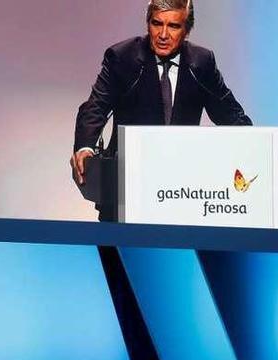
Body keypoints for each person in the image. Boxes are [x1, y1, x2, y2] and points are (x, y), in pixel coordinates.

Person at [70, 0, 252, 219]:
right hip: (125, 187)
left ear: (186, 30)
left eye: (173, 26)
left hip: (182, 192)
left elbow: (230, 114)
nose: (163, 34)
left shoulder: (202, 63)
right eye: (157, 23)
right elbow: (95, 107)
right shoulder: (122, 57)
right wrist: (84, 147)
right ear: (148, 24)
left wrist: (256, 150)